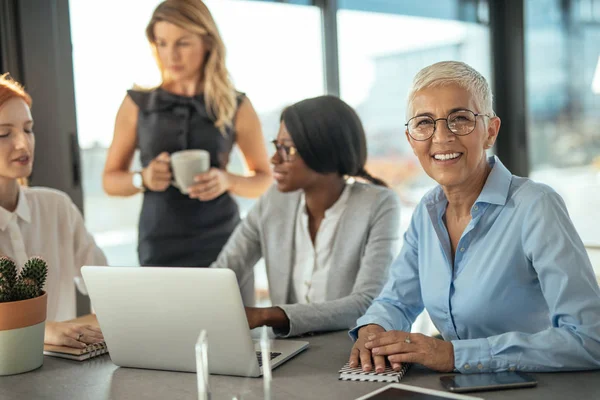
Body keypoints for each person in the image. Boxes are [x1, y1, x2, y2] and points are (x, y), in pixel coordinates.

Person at [348, 61, 600, 374]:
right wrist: (372, 331)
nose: (441, 137)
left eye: (460, 119)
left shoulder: (536, 206)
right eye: (425, 123)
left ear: (490, 131)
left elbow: (591, 339)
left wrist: (454, 355)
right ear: (412, 139)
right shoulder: (427, 212)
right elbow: (396, 301)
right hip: (460, 389)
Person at [211, 95, 401, 337]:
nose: (274, 159)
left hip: (352, 352)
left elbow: (367, 302)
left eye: (287, 149)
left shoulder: (378, 204)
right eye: (275, 145)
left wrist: (268, 315)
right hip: (289, 351)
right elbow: (224, 271)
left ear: (323, 151)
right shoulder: (273, 201)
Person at [103, 0, 272, 267]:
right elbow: (110, 181)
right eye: (162, 43)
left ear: (207, 42)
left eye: (182, 43)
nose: (171, 55)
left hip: (225, 243)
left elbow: (264, 180)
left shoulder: (236, 104)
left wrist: (227, 180)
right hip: (159, 244)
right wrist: (143, 178)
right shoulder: (137, 103)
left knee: (232, 311)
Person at [0, 73, 107, 349]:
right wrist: (42, 331)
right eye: (4, 133)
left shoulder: (56, 207)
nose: (23, 144)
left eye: (28, 129)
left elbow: (105, 283)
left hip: (66, 372)